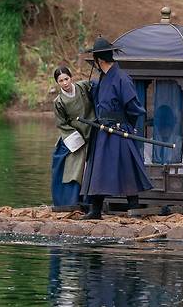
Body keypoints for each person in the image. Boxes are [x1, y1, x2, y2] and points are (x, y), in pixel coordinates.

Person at [83, 37, 153, 219]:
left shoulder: (122, 78)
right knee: (99, 168)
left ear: (99, 60)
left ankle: (134, 207)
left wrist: (127, 126)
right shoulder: (102, 78)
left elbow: (134, 108)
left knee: (126, 167)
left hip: (119, 130)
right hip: (102, 130)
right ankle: (95, 209)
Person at [51, 66, 96, 209]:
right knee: (73, 167)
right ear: (57, 83)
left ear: (71, 78)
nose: (65, 83)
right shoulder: (58, 101)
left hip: (93, 130)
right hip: (75, 135)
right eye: (61, 81)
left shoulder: (83, 87)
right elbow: (61, 124)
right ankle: (70, 201)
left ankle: (92, 201)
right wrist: (77, 139)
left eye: (66, 79)